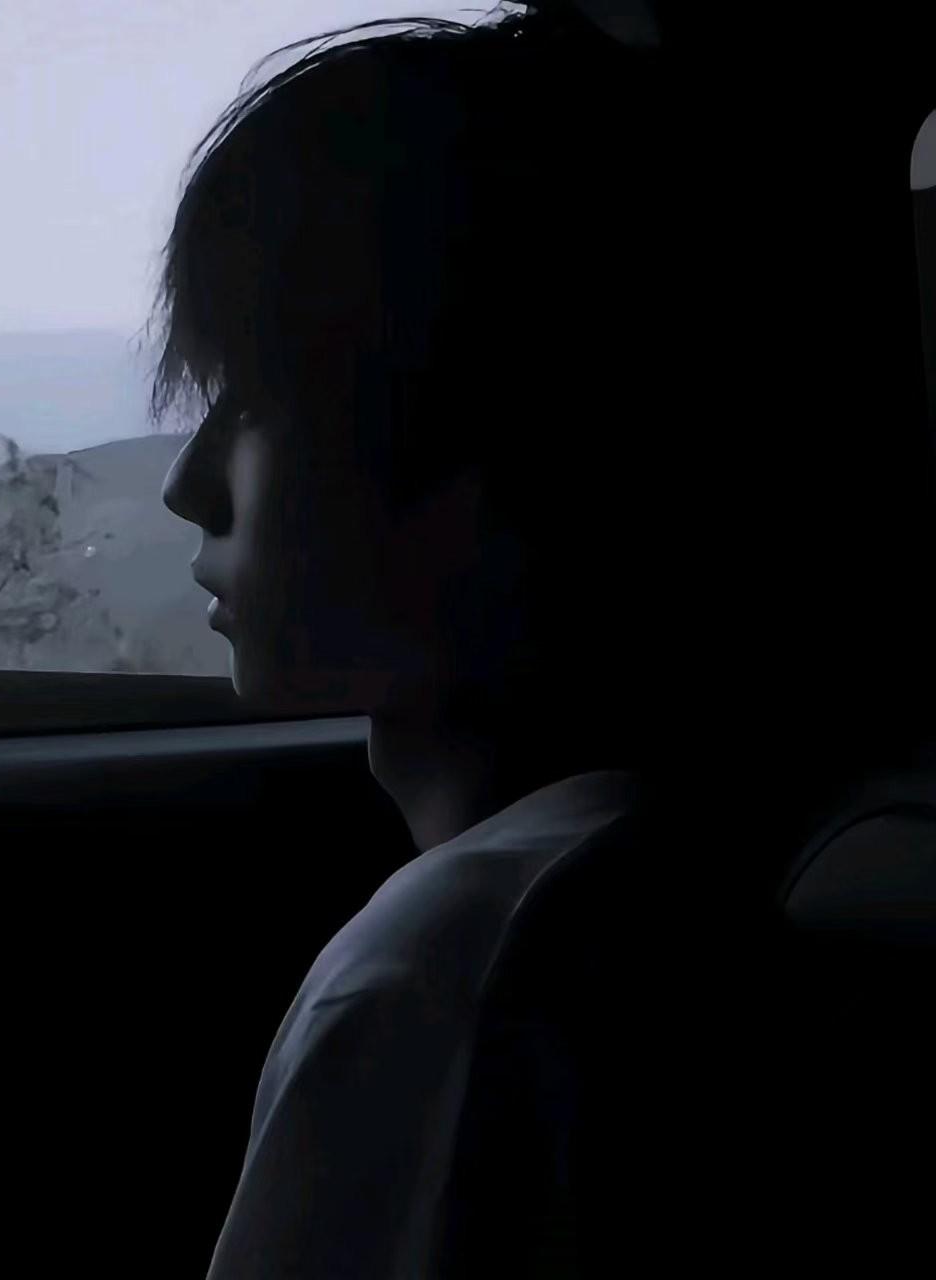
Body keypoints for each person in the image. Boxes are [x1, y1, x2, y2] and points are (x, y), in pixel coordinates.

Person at [155, 1, 936, 1274]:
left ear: (493, 451)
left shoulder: (458, 965)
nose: (188, 484)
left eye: (254, 404)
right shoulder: (640, 881)